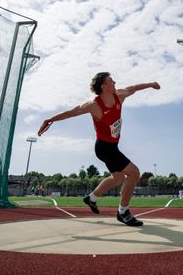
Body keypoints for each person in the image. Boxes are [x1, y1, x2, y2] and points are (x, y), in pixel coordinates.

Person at [38, 71, 160, 227]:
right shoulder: (94, 105)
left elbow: (135, 87)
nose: (115, 82)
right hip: (104, 147)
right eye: (111, 80)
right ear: (104, 86)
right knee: (135, 173)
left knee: (119, 179)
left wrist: (151, 84)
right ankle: (123, 212)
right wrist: (50, 119)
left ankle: (92, 198)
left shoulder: (119, 95)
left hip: (113, 146)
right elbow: (72, 112)